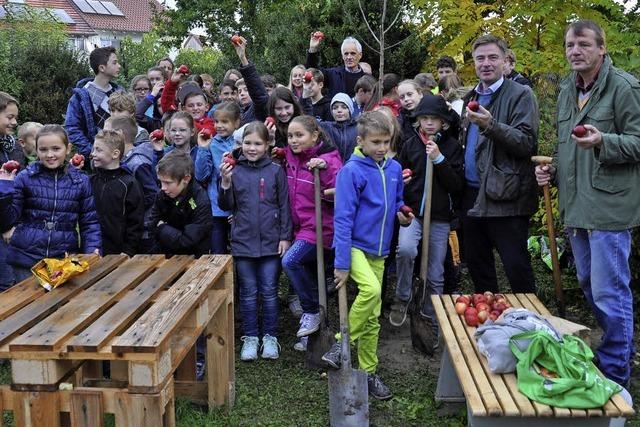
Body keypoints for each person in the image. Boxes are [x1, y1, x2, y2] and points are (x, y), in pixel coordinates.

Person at [535, 20, 640, 389]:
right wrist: (552, 173)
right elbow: (567, 147)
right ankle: (620, 350)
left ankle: (615, 373)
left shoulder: (624, 88)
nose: (574, 51)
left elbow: (638, 142)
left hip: (609, 209)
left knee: (610, 292)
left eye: (582, 44)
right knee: (590, 285)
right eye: (569, 45)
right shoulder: (568, 89)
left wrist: (603, 141)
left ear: (601, 48)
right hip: (577, 206)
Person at [323, 110, 413, 401]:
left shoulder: (394, 168)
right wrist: (342, 264)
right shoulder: (352, 172)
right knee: (372, 291)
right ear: (360, 140)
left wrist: (402, 213)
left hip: (380, 250)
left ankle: (369, 372)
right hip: (355, 246)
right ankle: (340, 343)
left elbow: (397, 200)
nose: (382, 147)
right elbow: (343, 218)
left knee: (373, 317)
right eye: (375, 142)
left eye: (386, 141)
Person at [461, 34, 539, 294]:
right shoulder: (470, 97)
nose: (486, 63)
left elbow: (526, 143)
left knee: (516, 269)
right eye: (480, 58)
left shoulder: (521, 94)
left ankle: (530, 327)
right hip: (472, 195)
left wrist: (490, 125)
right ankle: (492, 328)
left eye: (493, 57)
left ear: (505, 61)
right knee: (478, 267)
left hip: (506, 197)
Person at [390, 95, 464, 345]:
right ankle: (402, 297)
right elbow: (397, 178)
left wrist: (439, 159)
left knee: (435, 272)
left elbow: (456, 185)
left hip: (440, 217)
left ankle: (429, 316)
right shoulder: (410, 145)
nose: (429, 123)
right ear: (418, 120)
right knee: (406, 250)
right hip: (412, 213)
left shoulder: (452, 147)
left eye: (435, 119)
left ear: (443, 123)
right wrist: (402, 181)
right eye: (425, 119)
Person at [218, 121, 292, 361]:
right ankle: (250, 337)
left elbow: (284, 205)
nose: (252, 148)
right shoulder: (235, 171)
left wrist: (284, 237)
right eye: (248, 143)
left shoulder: (275, 170)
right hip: (243, 242)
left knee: (270, 291)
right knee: (248, 293)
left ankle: (270, 336)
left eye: (257, 143)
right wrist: (225, 184)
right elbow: (226, 206)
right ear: (240, 144)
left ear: (267, 144)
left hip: (271, 242)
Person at [2, 125, 101, 283]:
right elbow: (8, 218)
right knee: (27, 305)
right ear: (36, 150)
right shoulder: (25, 178)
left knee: (60, 305)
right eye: (43, 149)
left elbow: (89, 221)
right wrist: (5, 188)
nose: (50, 154)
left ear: (68, 149)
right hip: (26, 259)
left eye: (56, 148)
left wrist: (91, 251)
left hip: (63, 258)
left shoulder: (80, 181)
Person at [281, 116, 342, 352]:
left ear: (315, 136)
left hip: (320, 228)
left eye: (299, 135)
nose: (294, 140)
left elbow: (337, 195)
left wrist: (324, 171)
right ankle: (315, 335)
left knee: (290, 261)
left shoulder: (329, 160)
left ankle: (311, 311)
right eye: (290, 136)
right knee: (309, 276)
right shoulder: (289, 156)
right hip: (299, 229)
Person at [105, 116, 158, 253]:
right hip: (131, 227)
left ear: (120, 135)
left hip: (145, 229)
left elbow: (152, 193)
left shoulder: (138, 163)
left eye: (107, 133)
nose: (102, 137)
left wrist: (132, 207)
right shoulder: (123, 160)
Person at [195, 102, 241, 254]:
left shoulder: (242, 143)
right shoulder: (211, 143)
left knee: (239, 249)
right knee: (217, 250)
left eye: (225, 121)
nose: (219, 125)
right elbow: (201, 175)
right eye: (216, 122)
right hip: (216, 206)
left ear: (236, 123)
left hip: (239, 205)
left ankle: (240, 277)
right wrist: (202, 148)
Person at [89, 129, 144, 256]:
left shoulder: (129, 184)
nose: (93, 154)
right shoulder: (90, 181)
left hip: (119, 251)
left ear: (115, 154)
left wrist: (128, 250)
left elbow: (136, 221)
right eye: (93, 149)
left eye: (99, 150)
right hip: (93, 249)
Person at [149, 150, 212, 256]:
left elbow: (188, 241)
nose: (163, 188)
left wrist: (163, 228)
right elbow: (152, 225)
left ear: (186, 179)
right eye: (160, 182)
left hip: (193, 260)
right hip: (164, 256)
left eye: (168, 183)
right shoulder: (162, 195)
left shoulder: (200, 201)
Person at [65, 47, 122, 159]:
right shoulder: (80, 96)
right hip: (93, 160)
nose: (119, 66)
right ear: (102, 68)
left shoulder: (119, 92)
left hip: (117, 157)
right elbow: (72, 128)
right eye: (114, 63)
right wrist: (91, 151)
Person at [0, 92, 24, 289]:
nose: (14, 122)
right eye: (9, 117)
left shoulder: (9, 145)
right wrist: (6, 225)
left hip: (8, 218)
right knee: (6, 283)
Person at [160, 70, 216, 136]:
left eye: (199, 104)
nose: (195, 108)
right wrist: (172, 83)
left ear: (206, 107)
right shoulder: (177, 117)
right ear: (184, 109)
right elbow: (166, 103)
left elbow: (204, 132)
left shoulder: (211, 123)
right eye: (190, 105)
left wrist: (185, 119)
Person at [230, 37, 270, 125]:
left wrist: (243, 59)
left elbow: (258, 92)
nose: (242, 93)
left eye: (246, 90)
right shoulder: (236, 113)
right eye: (239, 91)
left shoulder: (259, 109)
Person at [320, 93, 358, 161]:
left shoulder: (358, 127)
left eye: (344, 107)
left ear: (350, 110)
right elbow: (308, 121)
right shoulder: (326, 127)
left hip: (353, 168)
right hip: (333, 169)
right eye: (335, 108)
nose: (339, 110)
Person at [136, 67, 165, 133]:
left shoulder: (169, 94)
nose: (154, 82)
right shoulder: (146, 98)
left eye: (158, 79)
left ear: (164, 80)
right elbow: (137, 114)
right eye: (151, 79)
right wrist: (152, 95)